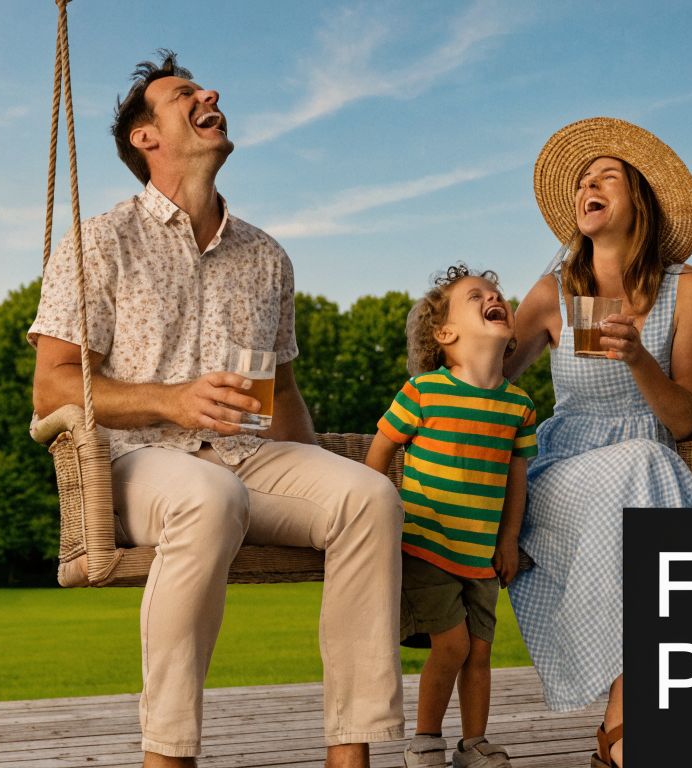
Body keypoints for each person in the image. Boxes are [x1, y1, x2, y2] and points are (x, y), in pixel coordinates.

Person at [28, 51, 404, 768]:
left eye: (205, 88)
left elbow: (283, 392)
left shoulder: (268, 257)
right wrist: (171, 399)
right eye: (184, 94)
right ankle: (168, 755)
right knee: (207, 493)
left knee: (370, 498)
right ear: (147, 138)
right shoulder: (100, 240)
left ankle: (350, 752)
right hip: (141, 465)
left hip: (249, 458)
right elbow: (53, 387)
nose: (211, 93)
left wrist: (316, 469)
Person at [503, 117, 692, 768]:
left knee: (646, 475)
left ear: (640, 204)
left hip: (649, 475)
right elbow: (484, 380)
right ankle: (635, 726)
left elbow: (683, 418)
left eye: (607, 178)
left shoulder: (690, 289)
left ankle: (621, 730)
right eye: (582, 182)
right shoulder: (555, 295)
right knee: (651, 488)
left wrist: (638, 361)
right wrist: (464, 332)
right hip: (566, 472)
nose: (588, 187)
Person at [364, 265, 536, 768]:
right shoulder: (423, 391)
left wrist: (507, 542)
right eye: (476, 296)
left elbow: (517, 479)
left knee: (479, 650)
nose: (494, 297)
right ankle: (425, 740)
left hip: (481, 552)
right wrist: (373, 521)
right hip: (426, 543)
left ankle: (473, 743)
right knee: (453, 644)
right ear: (445, 334)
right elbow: (379, 456)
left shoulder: (518, 405)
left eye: (496, 293)